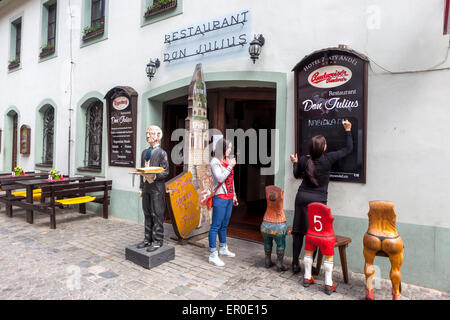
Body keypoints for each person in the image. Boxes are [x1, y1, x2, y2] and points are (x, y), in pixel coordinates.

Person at [289, 120, 353, 274]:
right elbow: (349, 149)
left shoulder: (304, 159)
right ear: (324, 147)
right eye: (325, 144)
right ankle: (310, 268)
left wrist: (295, 162)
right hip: (318, 202)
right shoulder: (329, 159)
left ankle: (295, 264)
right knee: (314, 234)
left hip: (302, 197)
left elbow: (296, 174)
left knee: (298, 232)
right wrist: (348, 130)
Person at [137, 125, 169, 252]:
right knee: (147, 213)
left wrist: (155, 176)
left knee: (157, 214)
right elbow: (141, 171)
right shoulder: (144, 152)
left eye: (150, 133)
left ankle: (157, 241)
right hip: (146, 187)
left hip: (157, 188)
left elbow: (166, 172)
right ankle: (147, 239)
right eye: (147, 133)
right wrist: (141, 187)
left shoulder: (162, 153)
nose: (148, 135)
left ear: (158, 136)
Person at [208, 138, 239, 267]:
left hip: (229, 197)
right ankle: (213, 254)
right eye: (228, 148)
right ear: (222, 148)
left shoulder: (226, 160)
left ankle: (223, 248)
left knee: (224, 225)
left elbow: (231, 180)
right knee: (215, 225)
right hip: (220, 196)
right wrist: (230, 166)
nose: (230, 150)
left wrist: (235, 195)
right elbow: (220, 177)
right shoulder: (215, 161)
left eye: (231, 148)